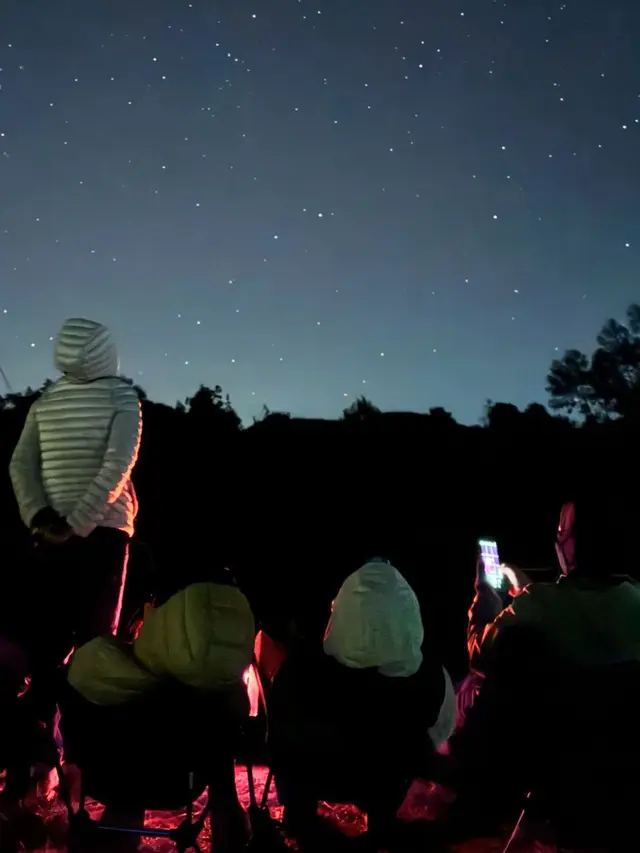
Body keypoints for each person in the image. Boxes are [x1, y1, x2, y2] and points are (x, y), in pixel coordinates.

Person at [429, 490, 640, 843]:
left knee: (471, 685)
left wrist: (485, 593)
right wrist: (529, 590)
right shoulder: (635, 600)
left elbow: (481, 652)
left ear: (571, 546)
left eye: (563, 532)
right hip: (623, 762)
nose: (558, 539)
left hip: (555, 762)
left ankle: (463, 783)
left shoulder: (539, 607)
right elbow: (585, 606)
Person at [268, 558, 455, 852]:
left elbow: (281, 737)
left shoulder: (299, 671)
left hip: (321, 777)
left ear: (341, 609)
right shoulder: (431, 676)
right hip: (387, 781)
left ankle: (302, 819)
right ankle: (382, 823)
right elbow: (439, 733)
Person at [8, 317, 142, 700]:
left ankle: (36, 748)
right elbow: (117, 466)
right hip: (102, 534)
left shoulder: (43, 403)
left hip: (48, 536)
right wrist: (78, 523)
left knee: (46, 644)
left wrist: (39, 517)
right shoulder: (122, 398)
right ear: (106, 354)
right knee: (95, 648)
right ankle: (87, 754)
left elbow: (20, 465)